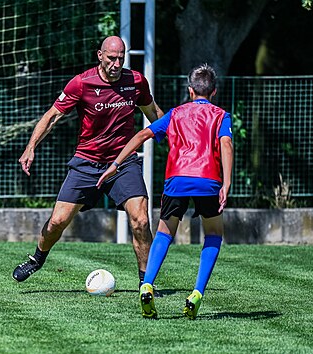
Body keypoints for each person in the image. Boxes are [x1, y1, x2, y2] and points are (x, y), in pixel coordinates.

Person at [12, 36, 164, 287]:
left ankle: (145, 283)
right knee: (57, 222)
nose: (116, 64)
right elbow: (51, 117)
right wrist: (30, 147)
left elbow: (155, 115)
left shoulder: (136, 82)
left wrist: (179, 140)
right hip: (86, 162)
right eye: (111, 58)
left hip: (123, 163)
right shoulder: (82, 83)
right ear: (100, 55)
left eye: (120, 58)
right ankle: (37, 259)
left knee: (141, 220)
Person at [97, 63, 233, 319]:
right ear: (213, 92)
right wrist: (226, 183)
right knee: (213, 234)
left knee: (164, 233)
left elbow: (141, 136)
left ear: (190, 90)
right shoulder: (221, 115)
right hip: (208, 180)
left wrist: (115, 165)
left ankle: (147, 283)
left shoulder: (175, 113)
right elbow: (226, 144)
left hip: (177, 179)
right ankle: (197, 293)